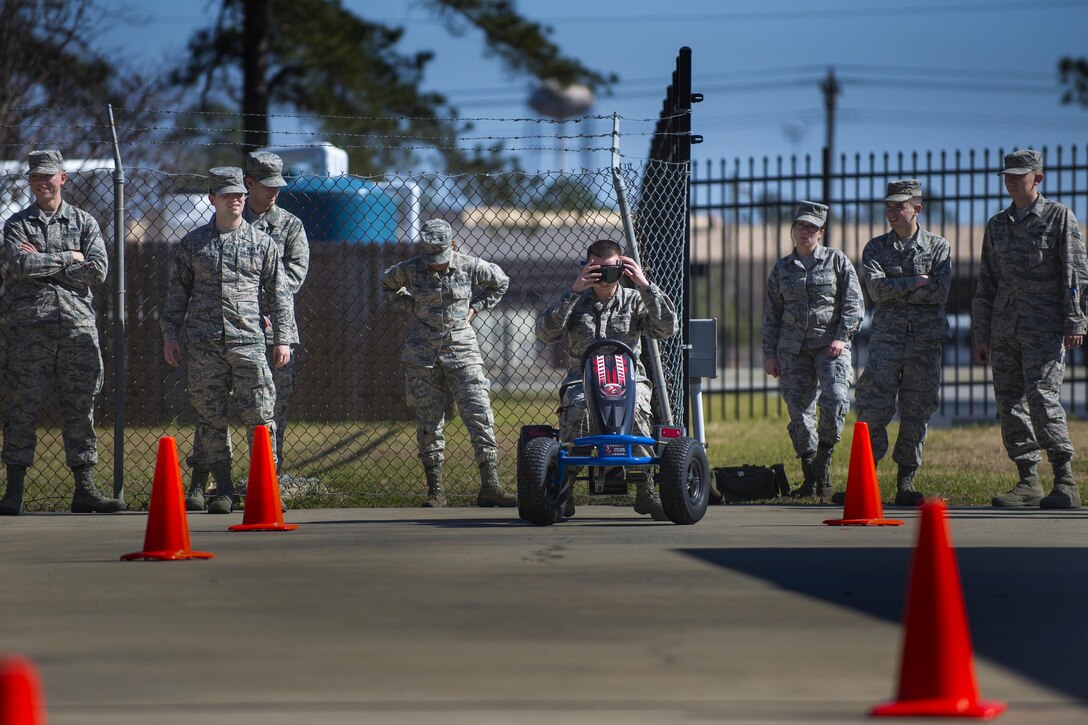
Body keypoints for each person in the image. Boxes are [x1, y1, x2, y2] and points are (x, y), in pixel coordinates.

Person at [161, 167, 294, 514]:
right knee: (211, 417)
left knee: (261, 416)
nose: (235, 199)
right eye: (227, 194)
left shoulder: (262, 243)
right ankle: (221, 490)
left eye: (239, 194)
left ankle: (264, 488)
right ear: (213, 199)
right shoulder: (193, 245)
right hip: (205, 344)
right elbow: (177, 295)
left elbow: (280, 295)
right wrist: (170, 336)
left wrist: (283, 340)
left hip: (249, 342)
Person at [0, 149, 126, 515]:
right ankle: (14, 492)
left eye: (49, 176)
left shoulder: (85, 222)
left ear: (62, 178)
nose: (43, 182)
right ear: (30, 181)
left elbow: (98, 271)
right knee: (21, 408)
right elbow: (22, 265)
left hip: (76, 329)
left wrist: (46, 263)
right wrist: (70, 258)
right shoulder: (17, 225)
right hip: (29, 332)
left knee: (80, 408)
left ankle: (84, 489)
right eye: (36, 176)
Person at [185, 151, 310, 509]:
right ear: (249, 183)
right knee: (210, 405)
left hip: (271, 332)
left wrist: (258, 307)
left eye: (278, 186)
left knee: (269, 411)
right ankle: (202, 481)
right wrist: (243, 305)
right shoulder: (217, 225)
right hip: (221, 328)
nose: (274, 192)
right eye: (267, 185)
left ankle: (266, 484)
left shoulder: (289, 226)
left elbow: (292, 278)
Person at [972, 149, 1088, 510]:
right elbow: (987, 282)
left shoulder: (1058, 217)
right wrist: (982, 335)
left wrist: (1075, 320)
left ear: (1037, 178)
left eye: (1018, 175)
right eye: (1007, 175)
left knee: (1041, 398)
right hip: (1005, 329)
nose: (1011, 180)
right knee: (1009, 404)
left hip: (1044, 327)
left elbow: (1075, 272)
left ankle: (1065, 480)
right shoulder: (997, 225)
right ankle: (1028, 481)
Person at [535, 238, 679, 520]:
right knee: (578, 409)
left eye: (611, 270)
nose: (604, 277)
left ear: (622, 268)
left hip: (628, 378)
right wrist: (574, 290)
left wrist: (643, 284)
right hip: (582, 378)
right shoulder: (576, 302)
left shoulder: (635, 300)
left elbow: (667, 328)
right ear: (586, 268)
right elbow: (545, 333)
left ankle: (645, 490)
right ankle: (563, 490)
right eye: (597, 270)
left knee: (636, 410)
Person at [381, 218, 516, 508]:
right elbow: (387, 284)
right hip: (423, 355)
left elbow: (501, 282)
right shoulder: (410, 269)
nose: (436, 265)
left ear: (451, 245)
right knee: (429, 421)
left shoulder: (469, 265)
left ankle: (490, 485)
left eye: (440, 259)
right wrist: (410, 305)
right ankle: (436, 491)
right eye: (432, 260)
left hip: (462, 350)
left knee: (479, 413)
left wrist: (475, 307)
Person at [847, 180, 952, 506]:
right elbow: (876, 292)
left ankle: (906, 482)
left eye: (899, 206)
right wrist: (915, 281)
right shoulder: (875, 248)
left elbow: (940, 293)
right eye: (888, 206)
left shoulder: (938, 248)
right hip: (886, 342)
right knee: (873, 408)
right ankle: (867, 480)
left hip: (924, 343)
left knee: (917, 410)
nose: (891, 212)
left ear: (916, 209)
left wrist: (897, 286)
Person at [761, 201, 864, 499]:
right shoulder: (781, 268)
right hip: (792, 351)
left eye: (811, 227)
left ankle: (823, 462)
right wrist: (770, 353)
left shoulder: (836, 261)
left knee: (834, 399)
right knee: (800, 413)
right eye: (800, 226)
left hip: (830, 347)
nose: (804, 232)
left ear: (821, 232)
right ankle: (811, 477)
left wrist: (842, 337)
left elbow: (854, 304)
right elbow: (772, 314)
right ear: (793, 230)